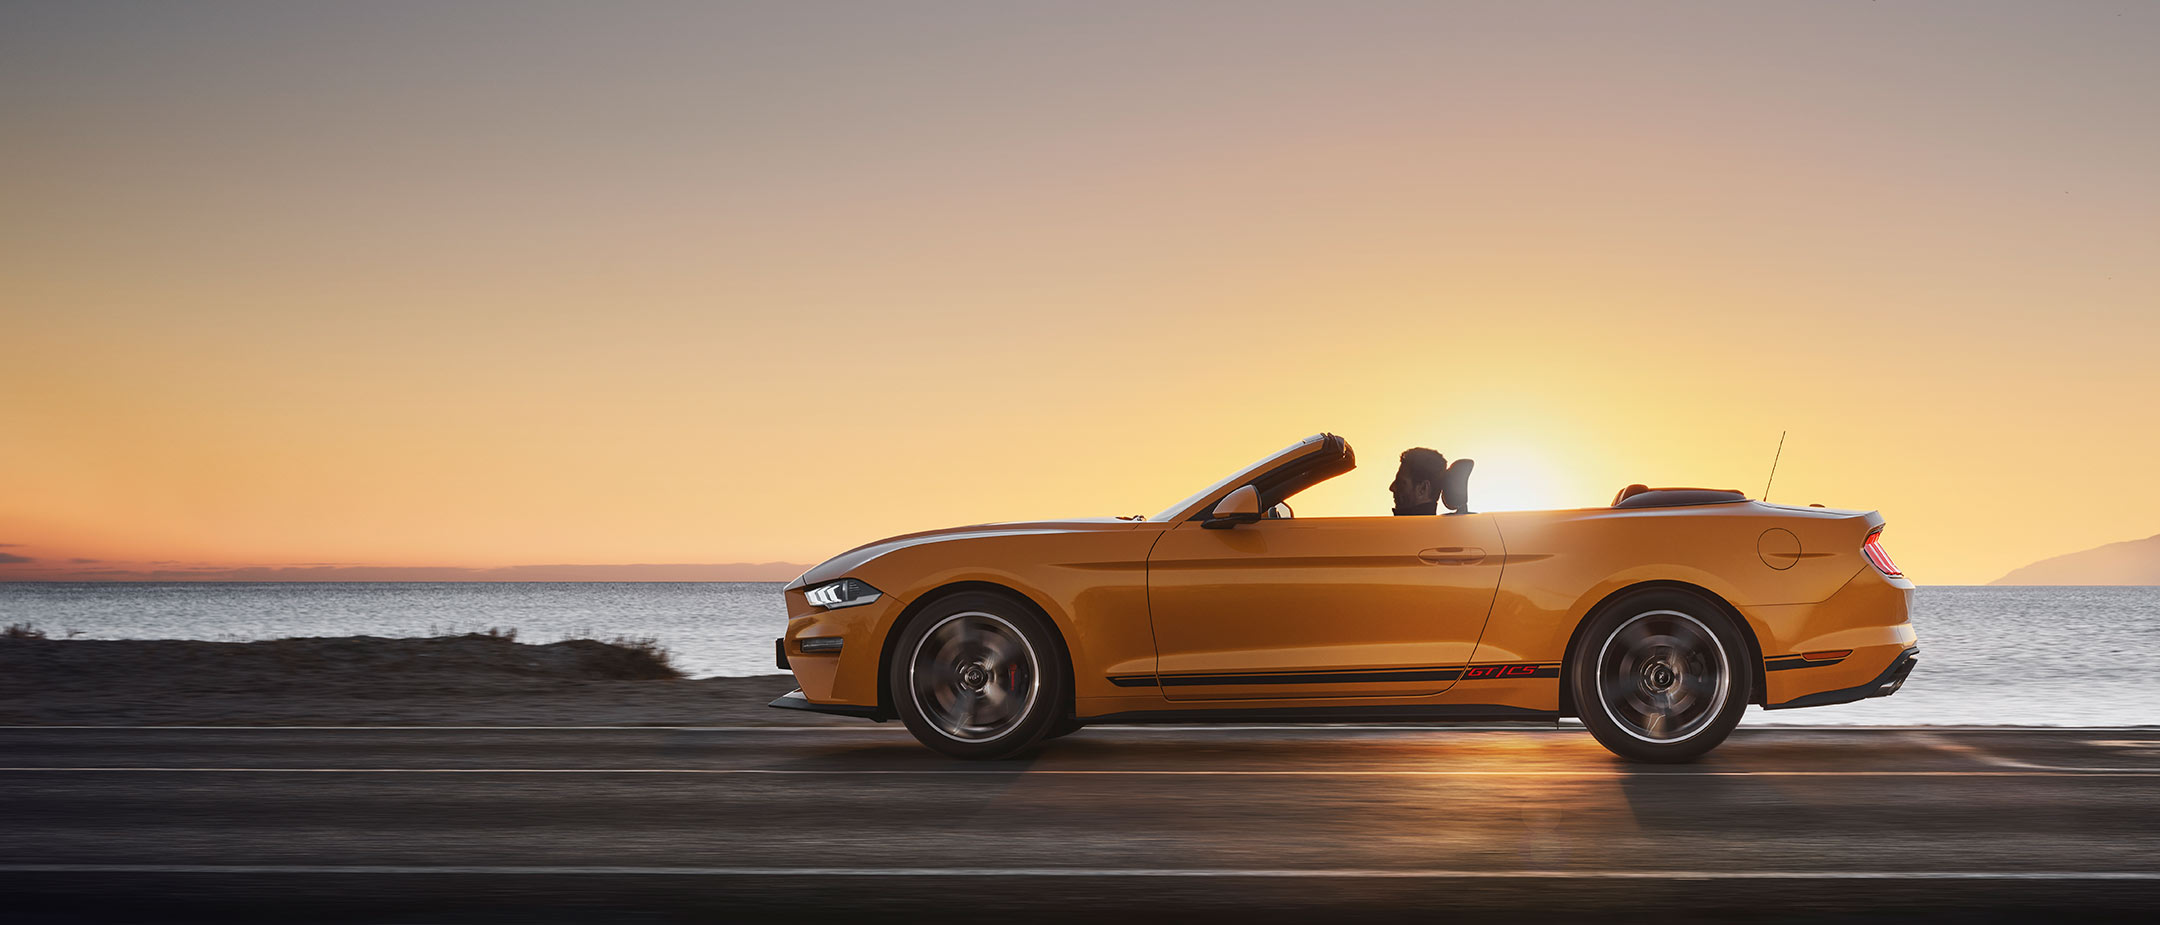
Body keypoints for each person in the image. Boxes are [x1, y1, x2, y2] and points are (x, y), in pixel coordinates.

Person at [1390, 447, 1447, 516]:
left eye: (1400, 483)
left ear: (1423, 488)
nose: (1392, 487)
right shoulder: (1445, 526)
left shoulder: (1393, 526)